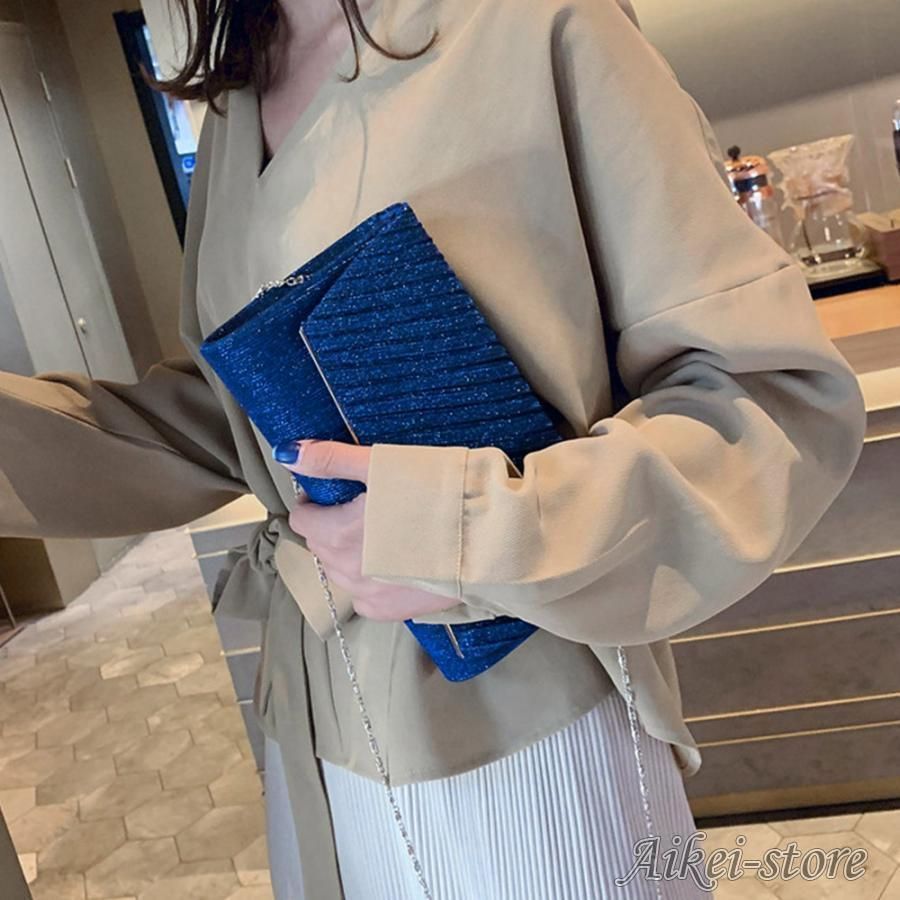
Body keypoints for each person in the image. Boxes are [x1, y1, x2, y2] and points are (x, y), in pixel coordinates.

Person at [0, 0, 867, 897]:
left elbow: (767, 398)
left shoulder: (534, 23)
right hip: (324, 713)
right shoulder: (237, 91)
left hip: (518, 720)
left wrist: (466, 530)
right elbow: (252, 417)